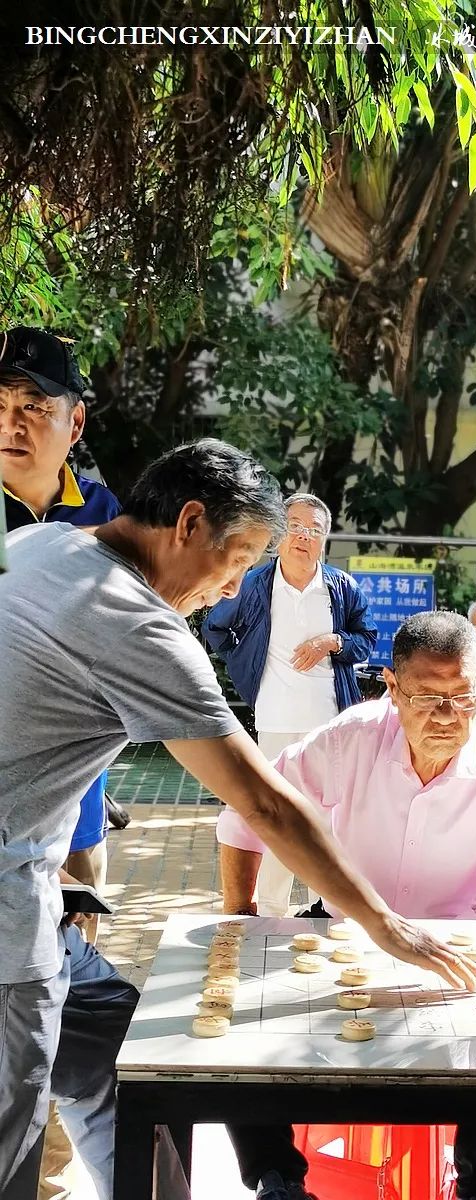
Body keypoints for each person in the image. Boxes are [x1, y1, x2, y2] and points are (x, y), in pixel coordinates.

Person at [0, 438, 476, 1200]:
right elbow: (262, 803)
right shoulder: (135, 621)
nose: (230, 593)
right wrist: (386, 926)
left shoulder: (39, 542)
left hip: (39, 888)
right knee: (12, 1133)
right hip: (7, 916)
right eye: (239, 560)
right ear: (189, 522)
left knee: (111, 1041)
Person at [225, 610, 476, 1200]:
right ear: (391, 689)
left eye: (464, 696)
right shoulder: (349, 739)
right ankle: (277, 1179)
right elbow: (246, 812)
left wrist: (418, 968)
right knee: (241, 1031)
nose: (448, 716)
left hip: (460, 951)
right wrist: (239, 918)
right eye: (427, 697)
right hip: (346, 939)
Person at [0, 325, 123, 1200]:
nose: (12, 422)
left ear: (73, 424)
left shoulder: (99, 512)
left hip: (75, 801)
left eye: (34, 407)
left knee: (83, 983)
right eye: (0, 406)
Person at [204, 491, 378, 916]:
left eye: (313, 529)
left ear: (325, 540)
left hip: (331, 722)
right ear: (280, 535)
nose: (303, 536)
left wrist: (333, 641)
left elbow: (366, 641)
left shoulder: (342, 588)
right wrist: (248, 665)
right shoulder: (253, 583)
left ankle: (329, 907)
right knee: (277, 816)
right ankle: (273, 911)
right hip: (275, 717)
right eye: (294, 526)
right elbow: (215, 630)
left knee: (330, 818)